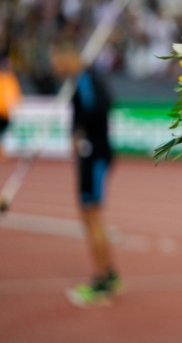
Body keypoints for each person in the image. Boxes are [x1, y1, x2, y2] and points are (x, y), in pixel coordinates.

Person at [49, 41, 123, 307]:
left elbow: (100, 106)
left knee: (93, 217)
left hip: (94, 156)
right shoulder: (82, 79)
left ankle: (102, 282)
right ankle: (109, 274)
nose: (55, 68)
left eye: (57, 62)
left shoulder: (86, 78)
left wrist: (79, 131)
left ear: (68, 57)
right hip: (90, 155)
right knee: (89, 216)